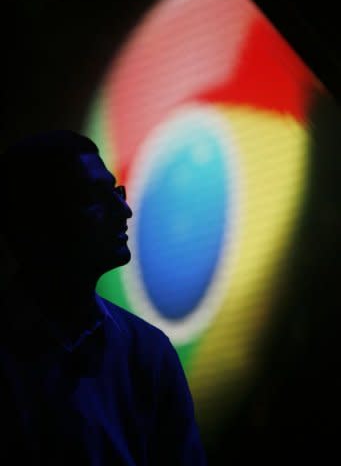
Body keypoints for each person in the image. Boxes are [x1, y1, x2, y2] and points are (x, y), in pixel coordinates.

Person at [0, 130, 207, 465]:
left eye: (115, 191)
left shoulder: (148, 353)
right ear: (39, 219)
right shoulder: (144, 352)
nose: (124, 210)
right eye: (95, 196)